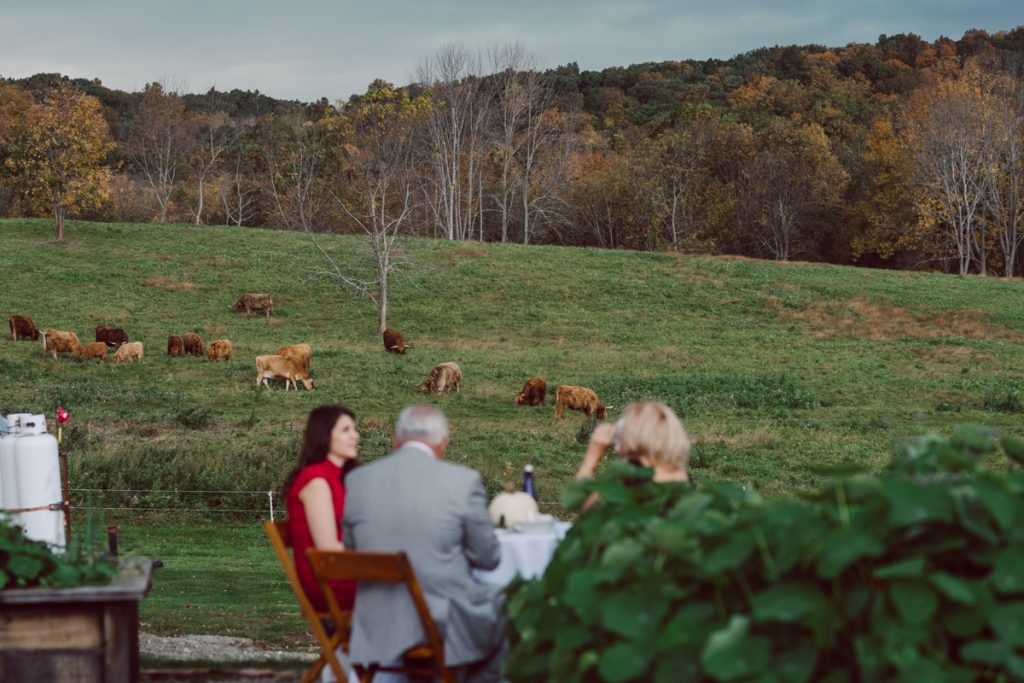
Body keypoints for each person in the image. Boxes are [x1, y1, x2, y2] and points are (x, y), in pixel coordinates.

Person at [342, 405, 505, 683]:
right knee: (507, 604)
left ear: (396, 440)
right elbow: (488, 558)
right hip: (439, 616)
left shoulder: (357, 481)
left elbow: (351, 551)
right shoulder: (463, 482)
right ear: (443, 442)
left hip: (376, 618)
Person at [283, 404, 360, 612]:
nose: (356, 436)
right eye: (346, 430)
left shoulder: (338, 478)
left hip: (344, 572)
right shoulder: (316, 480)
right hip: (329, 582)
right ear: (325, 435)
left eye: (354, 429)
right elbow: (327, 548)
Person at [576, 400, 691, 483]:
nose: (616, 448)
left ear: (638, 440)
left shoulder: (636, 481)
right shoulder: (683, 480)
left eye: (621, 440)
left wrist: (592, 457)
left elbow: (581, 504)